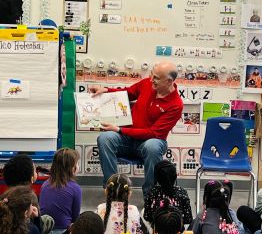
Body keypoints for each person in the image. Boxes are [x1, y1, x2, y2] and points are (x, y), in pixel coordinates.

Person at [90, 61, 183, 196]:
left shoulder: (176, 105)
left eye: (156, 78)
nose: (151, 80)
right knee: (105, 138)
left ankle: (151, 196)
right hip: (127, 139)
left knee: (153, 146)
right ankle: (113, 189)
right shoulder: (146, 84)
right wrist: (106, 90)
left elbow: (153, 133)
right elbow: (127, 93)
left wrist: (119, 130)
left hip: (149, 142)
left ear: (169, 81)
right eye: (152, 75)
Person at [3, 154, 55, 234]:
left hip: (7, 227)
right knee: (49, 220)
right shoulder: (30, 197)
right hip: (26, 228)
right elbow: (34, 226)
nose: (36, 172)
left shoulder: (5, 195)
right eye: (34, 170)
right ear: (31, 178)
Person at [39, 148, 82, 232]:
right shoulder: (75, 188)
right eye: (77, 163)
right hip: (63, 230)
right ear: (72, 168)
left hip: (43, 228)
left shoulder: (45, 184)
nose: (78, 165)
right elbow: (75, 218)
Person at [144, 160, 193, 228]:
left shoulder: (151, 192)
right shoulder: (182, 193)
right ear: (175, 176)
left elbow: (147, 217)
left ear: (157, 178)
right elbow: (188, 219)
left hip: (157, 231)